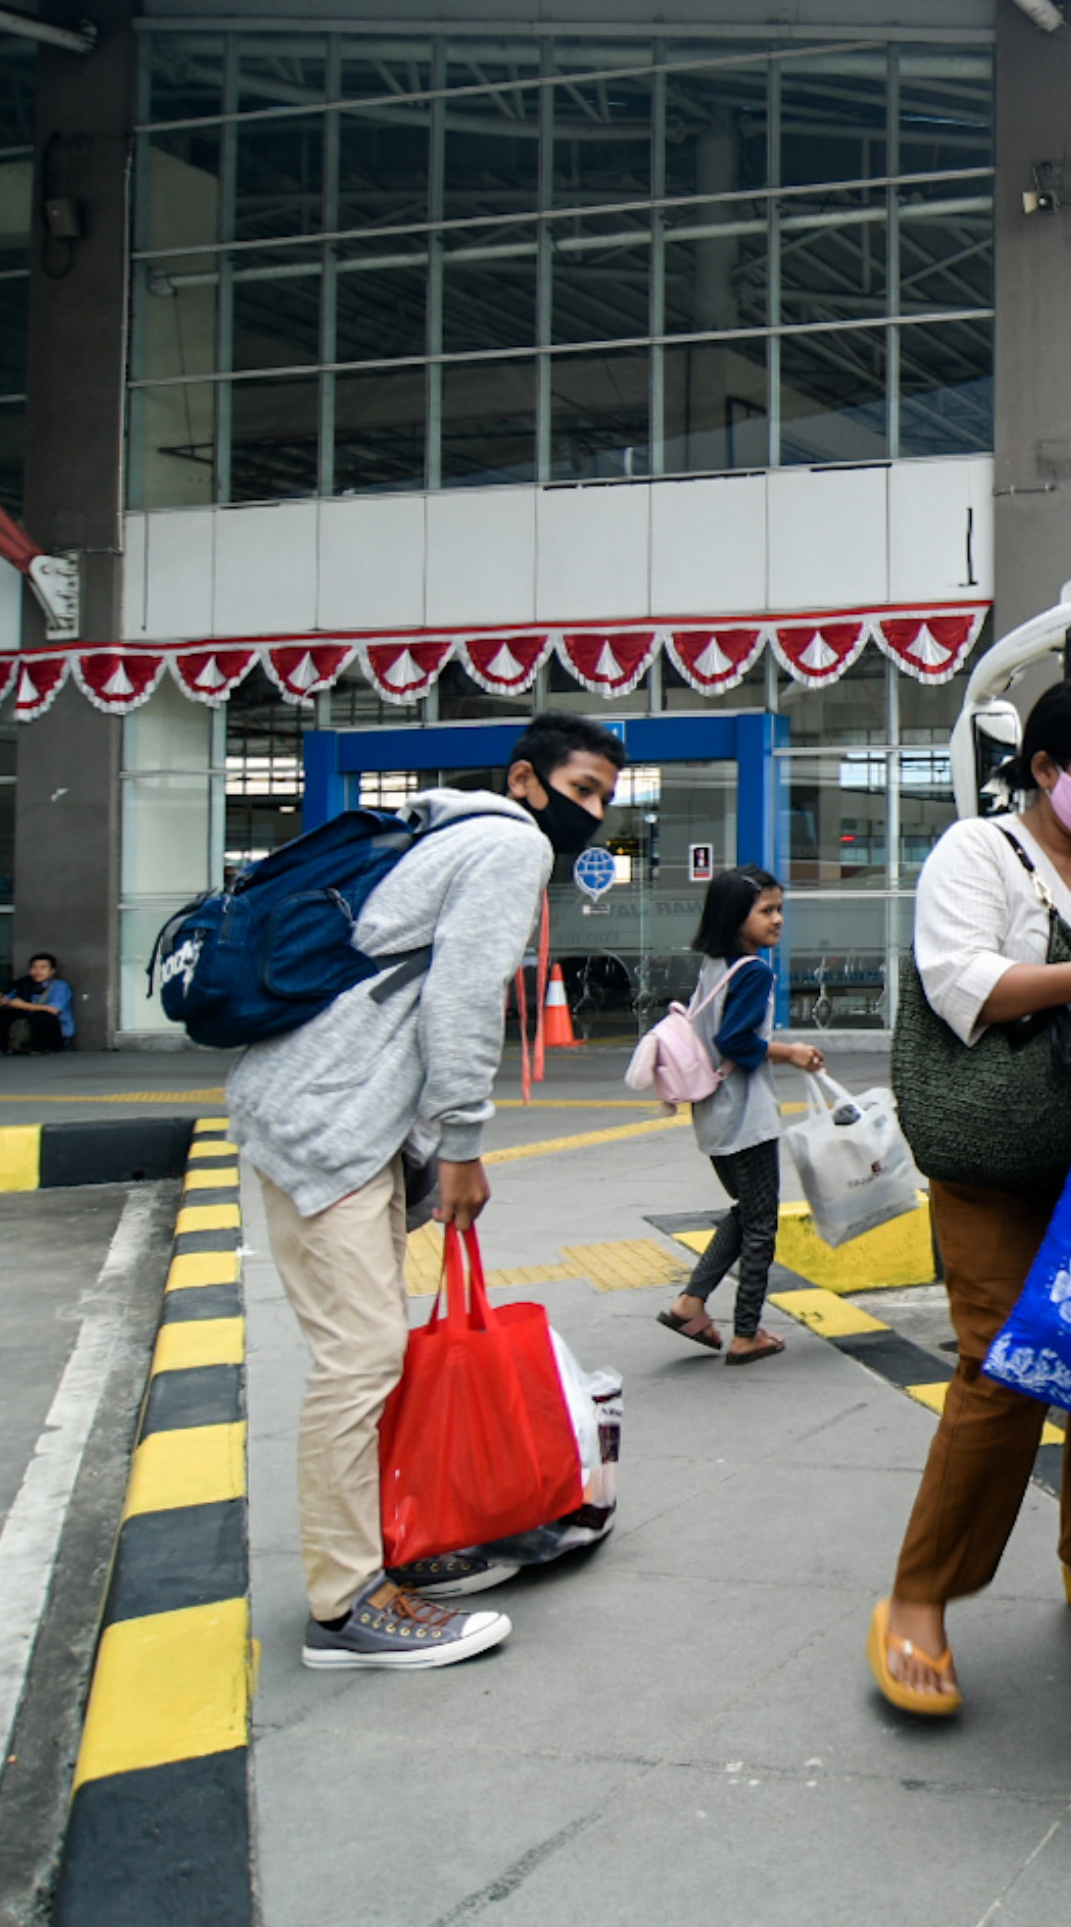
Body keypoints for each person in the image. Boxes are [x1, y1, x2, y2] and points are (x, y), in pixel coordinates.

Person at [228, 710, 624, 1672]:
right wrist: (461, 1145)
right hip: (330, 1120)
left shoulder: (447, 830)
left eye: (607, 800)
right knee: (360, 1357)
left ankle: (377, 1558)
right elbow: (459, 1000)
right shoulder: (508, 843)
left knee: (362, 1351)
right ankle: (347, 1605)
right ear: (527, 779)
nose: (595, 816)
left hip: (315, 1107)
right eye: (582, 792)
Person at [870, 678, 1071, 1715]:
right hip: (990, 1158)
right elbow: (961, 982)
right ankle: (920, 1594)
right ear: (1046, 768)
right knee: (998, 1366)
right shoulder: (977, 851)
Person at [659, 865, 826, 1366]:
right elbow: (735, 1040)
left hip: (712, 1112)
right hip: (744, 1115)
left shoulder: (715, 965)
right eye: (767, 911)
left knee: (746, 1211)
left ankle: (690, 1303)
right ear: (736, 918)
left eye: (780, 910)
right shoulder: (753, 971)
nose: (777, 920)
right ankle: (746, 1332)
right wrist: (790, 1051)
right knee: (761, 1224)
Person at [0, 952, 76, 1054]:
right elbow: (9, 1000)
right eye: (34, 967)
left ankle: (41, 1047)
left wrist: (23, 1005)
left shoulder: (60, 986)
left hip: (56, 1033)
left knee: (42, 1016)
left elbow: (53, 1010)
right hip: (28, 1026)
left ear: (52, 971)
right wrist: (0, 1001)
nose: (37, 971)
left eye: (43, 968)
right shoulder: (24, 984)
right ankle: (6, 1046)